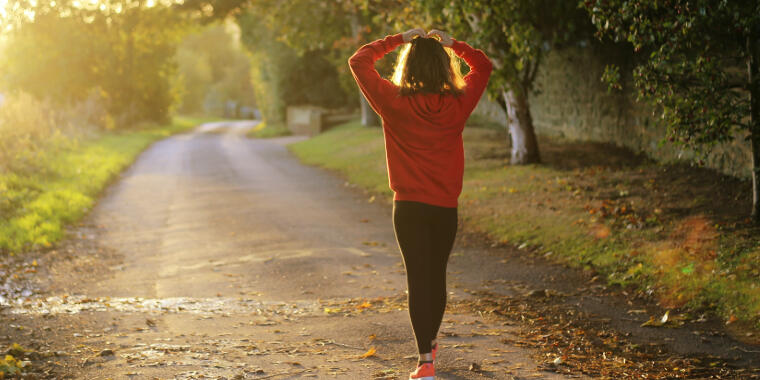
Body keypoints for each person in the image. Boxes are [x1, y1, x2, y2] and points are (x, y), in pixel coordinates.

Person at [348, 28, 493, 380]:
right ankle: (429, 341)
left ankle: (425, 360)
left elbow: (359, 60)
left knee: (418, 279)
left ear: (408, 67)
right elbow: (484, 66)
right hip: (444, 208)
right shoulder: (458, 103)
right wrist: (454, 44)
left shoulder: (393, 101)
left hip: (409, 208)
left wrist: (398, 39)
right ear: (445, 67)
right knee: (436, 276)